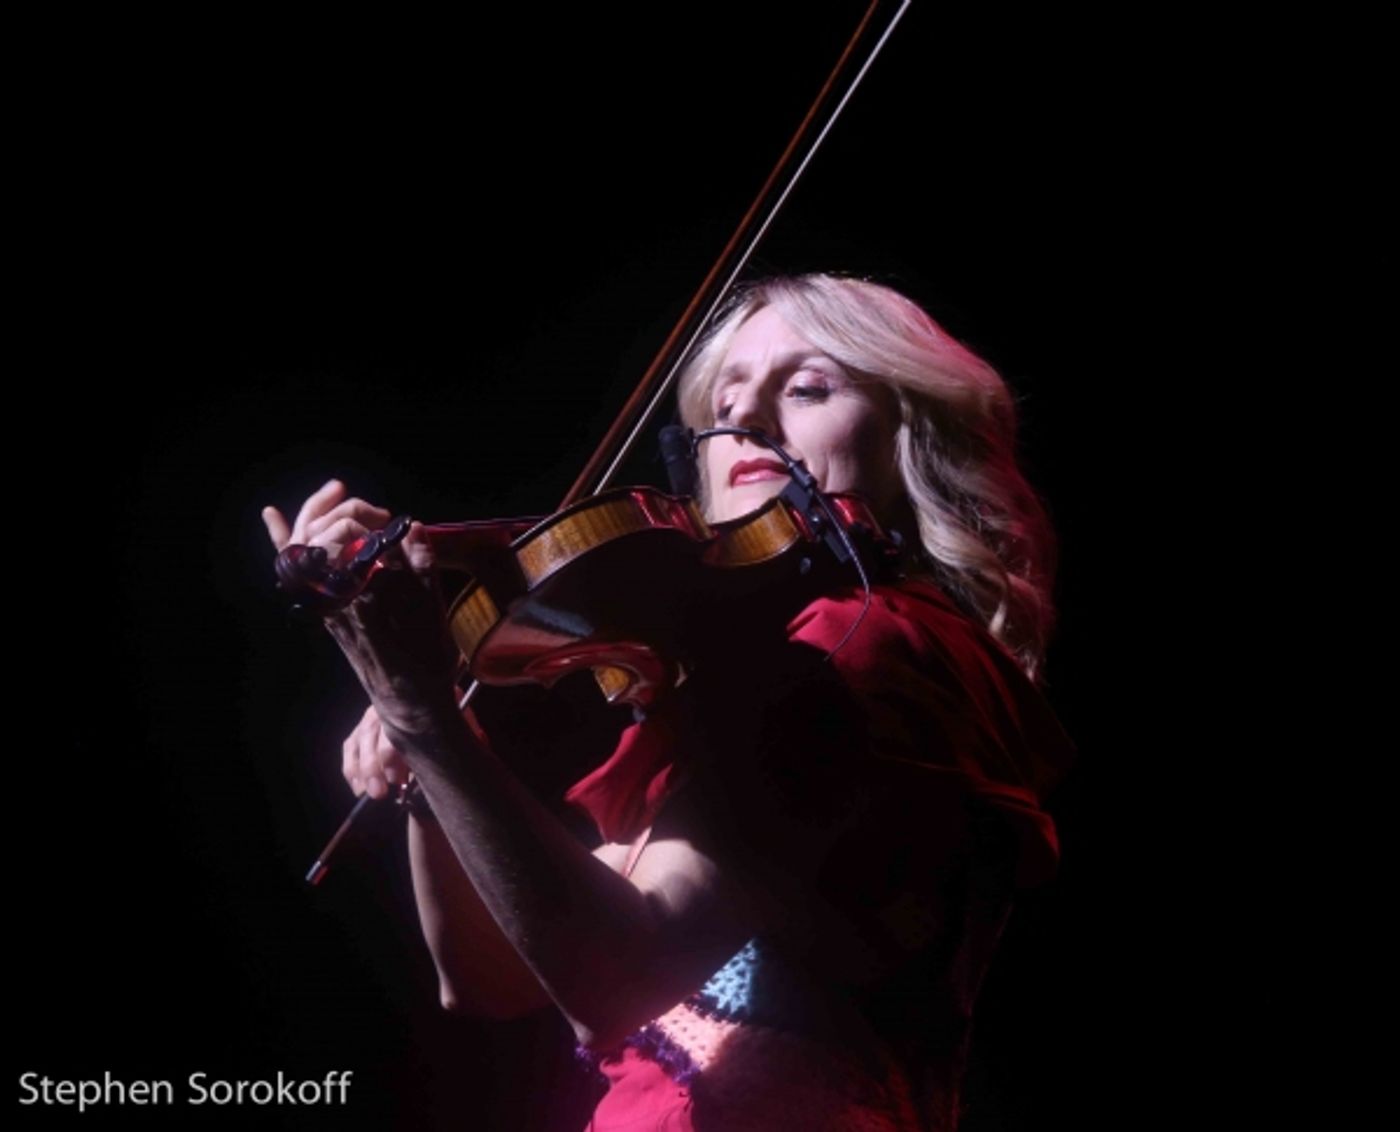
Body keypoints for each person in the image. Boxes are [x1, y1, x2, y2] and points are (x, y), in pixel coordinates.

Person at [263, 273, 1074, 1130]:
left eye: (808, 388)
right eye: (724, 404)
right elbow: (490, 979)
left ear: (912, 434)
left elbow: (616, 981)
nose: (747, 416)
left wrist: (422, 714)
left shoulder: (869, 646)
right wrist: (432, 770)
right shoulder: (757, 676)